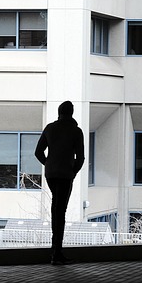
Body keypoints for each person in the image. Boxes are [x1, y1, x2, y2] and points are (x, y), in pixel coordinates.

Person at [35, 100, 84, 264]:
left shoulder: (50, 128)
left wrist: (48, 163)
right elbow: (80, 157)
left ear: (59, 112)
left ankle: (55, 251)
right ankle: (56, 252)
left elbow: (38, 152)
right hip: (65, 174)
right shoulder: (76, 131)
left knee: (56, 207)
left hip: (51, 174)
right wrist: (73, 171)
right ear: (71, 113)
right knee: (60, 210)